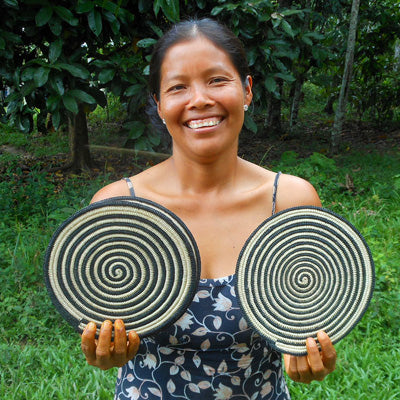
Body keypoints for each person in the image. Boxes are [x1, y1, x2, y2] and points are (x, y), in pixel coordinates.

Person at [80, 18, 336, 399]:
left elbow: (312, 326)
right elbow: (100, 330)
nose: (199, 99)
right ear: (159, 103)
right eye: (178, 86)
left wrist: (313, 358)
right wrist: (103, 352)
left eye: (217, 80)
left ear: (247, 90)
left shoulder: (290, 200)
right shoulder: (119, 208)